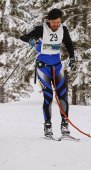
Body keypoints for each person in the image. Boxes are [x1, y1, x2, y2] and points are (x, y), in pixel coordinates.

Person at [20, 8, 75, 138]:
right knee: (48, 97)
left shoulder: (63, 30)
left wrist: (72, 57)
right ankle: (48, 126)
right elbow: (23, 36)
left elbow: (69, 44)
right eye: (53, 22)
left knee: (63, 96)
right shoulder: (41, 29)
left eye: (58, 22)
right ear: (48, 20)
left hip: (57, 66)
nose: (56, 25)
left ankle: (64, 125)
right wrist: (31, 40)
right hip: (43, 68)